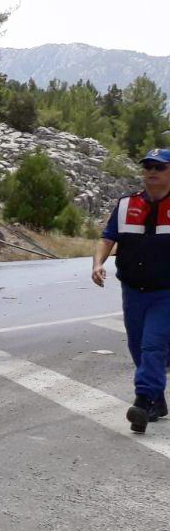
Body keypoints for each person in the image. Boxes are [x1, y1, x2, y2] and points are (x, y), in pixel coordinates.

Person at [93, 147, 170, 433]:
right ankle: (157, 401)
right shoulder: (127, 204)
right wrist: (97, 264)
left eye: (159, 167)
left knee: (153, 344)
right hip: (133, 290)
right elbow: (107, 238)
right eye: (148, 166)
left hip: (166, 292)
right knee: (138, 346)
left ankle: (143, 400)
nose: (152, 172)